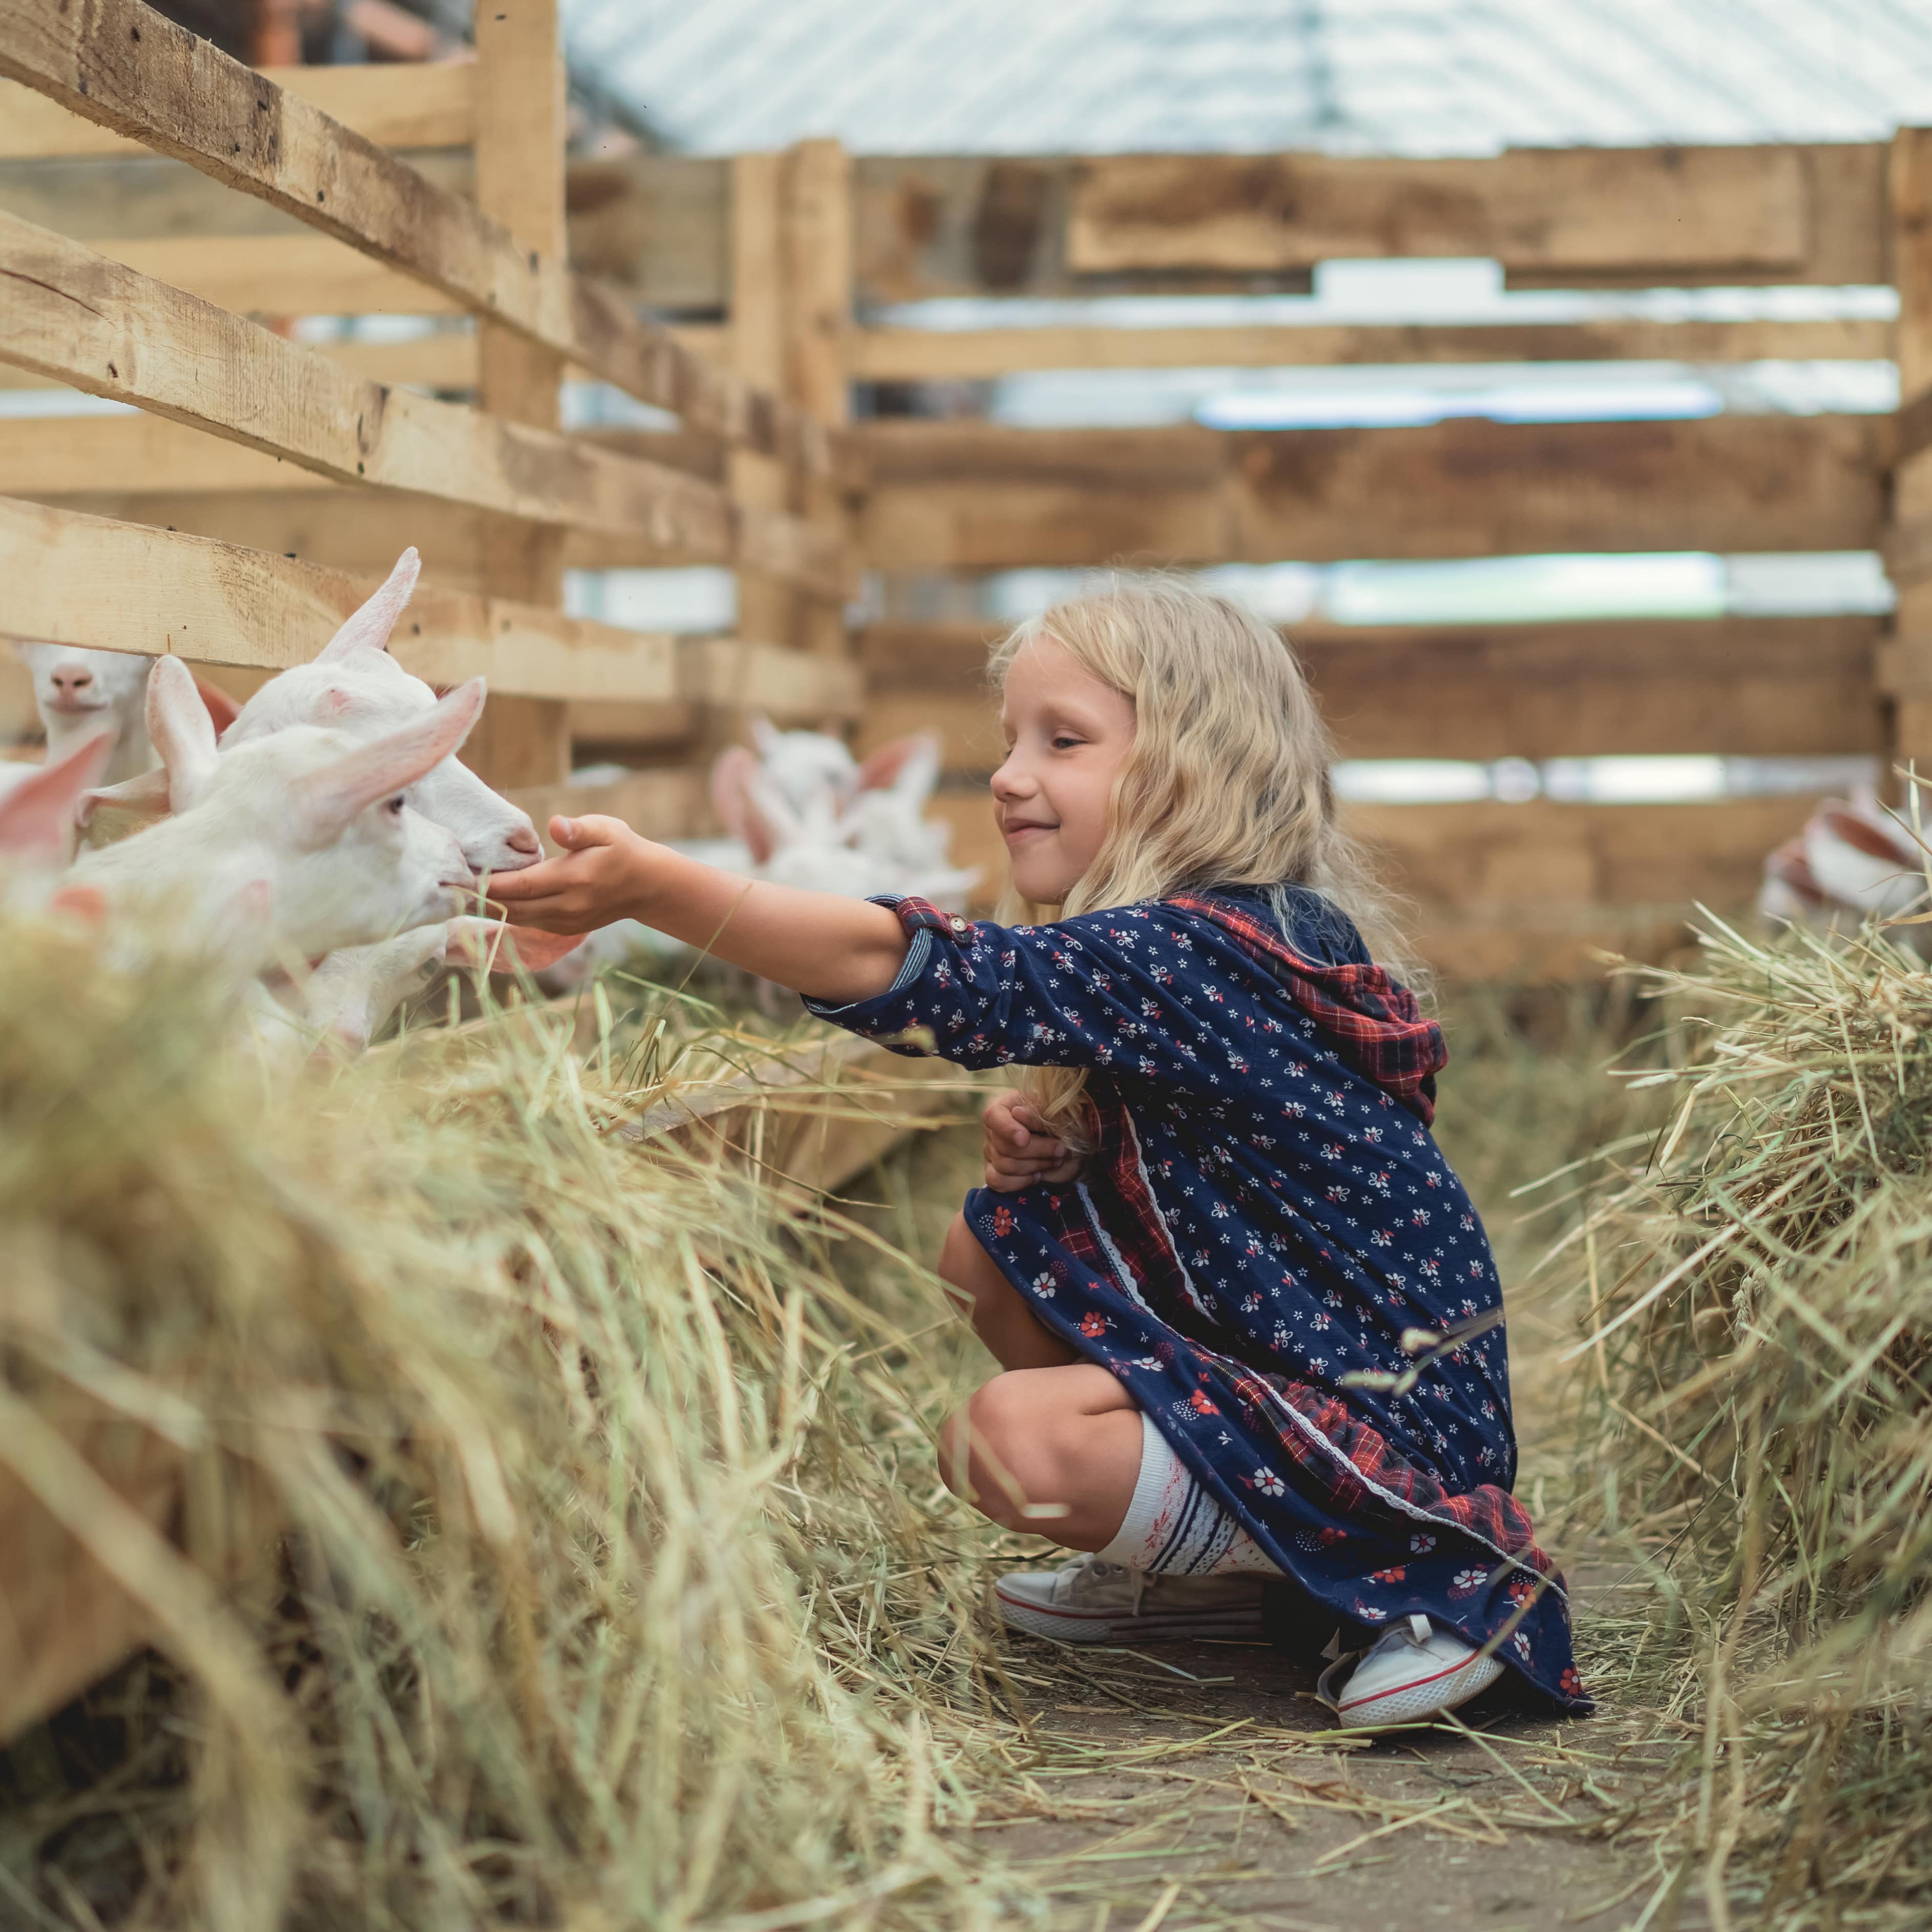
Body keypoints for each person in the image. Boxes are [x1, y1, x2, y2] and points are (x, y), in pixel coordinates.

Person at [493, 579, 1588, 1728]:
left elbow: (942, 976)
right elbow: (1237, 1186)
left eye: (1061, 740)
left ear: (1190, 768)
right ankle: (1201, 1579)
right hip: (1311, 1357)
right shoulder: (1246, 937)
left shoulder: (1186, 948)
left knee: (1005, 1444)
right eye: (1009, 740)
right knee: (989, 1241)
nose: (1008, 774)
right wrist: (1081, 1158)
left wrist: (660, 889)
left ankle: (1443, 1585)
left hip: (1385, 1421)